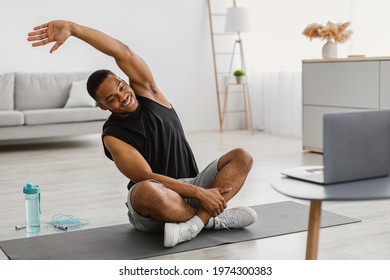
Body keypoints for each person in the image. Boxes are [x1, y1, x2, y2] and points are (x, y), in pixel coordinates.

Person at [27, 20, 257, 247]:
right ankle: (209, 219)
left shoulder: (151, 93)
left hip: (191, 187)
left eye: (120, 87)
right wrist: (200, 194)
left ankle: (195, 224)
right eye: (111, 99)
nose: (122, 97)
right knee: (145, 189)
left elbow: (122, 52)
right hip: (156, 201)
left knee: (241, 156)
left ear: (124, 80)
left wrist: (74, 29)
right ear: (103, 107)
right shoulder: (113, 136)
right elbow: (146, 177)